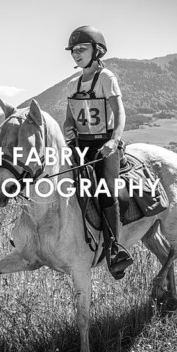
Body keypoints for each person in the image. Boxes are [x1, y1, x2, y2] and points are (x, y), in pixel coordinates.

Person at [63, 25, 134, 280]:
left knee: (105, 190)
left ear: (97, 50)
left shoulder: (106, 78)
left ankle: (115, 249)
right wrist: (68, 130)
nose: (76, 54)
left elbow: (120, 112)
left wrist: (115, 140)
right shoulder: (72, 84)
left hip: (105, 146)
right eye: (73, 50)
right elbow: (69, 120)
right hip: (80, 145)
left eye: (82, 49)